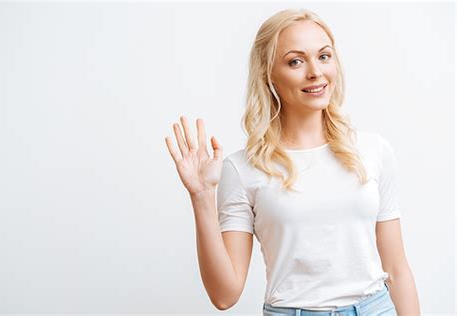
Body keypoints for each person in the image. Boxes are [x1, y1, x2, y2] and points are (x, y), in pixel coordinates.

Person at [165, 8, 421, 316]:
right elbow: (224, 295)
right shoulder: (242, 170)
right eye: (295, 61)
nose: (315, 72)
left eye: (324, 56)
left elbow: (397, 268)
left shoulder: (373, 151)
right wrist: (201, 196)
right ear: (268, 73)